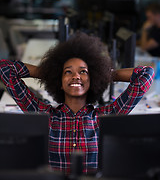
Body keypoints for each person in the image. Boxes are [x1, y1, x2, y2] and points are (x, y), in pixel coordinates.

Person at [0, 32, 154, 175]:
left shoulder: (106, 117)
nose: (75, 76)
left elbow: (146, 75)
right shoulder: (43, 115)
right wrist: (48, 73)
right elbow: (5, 69)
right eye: (68, 72)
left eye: (83, 72)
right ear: (59, 81)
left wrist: (105, 75)